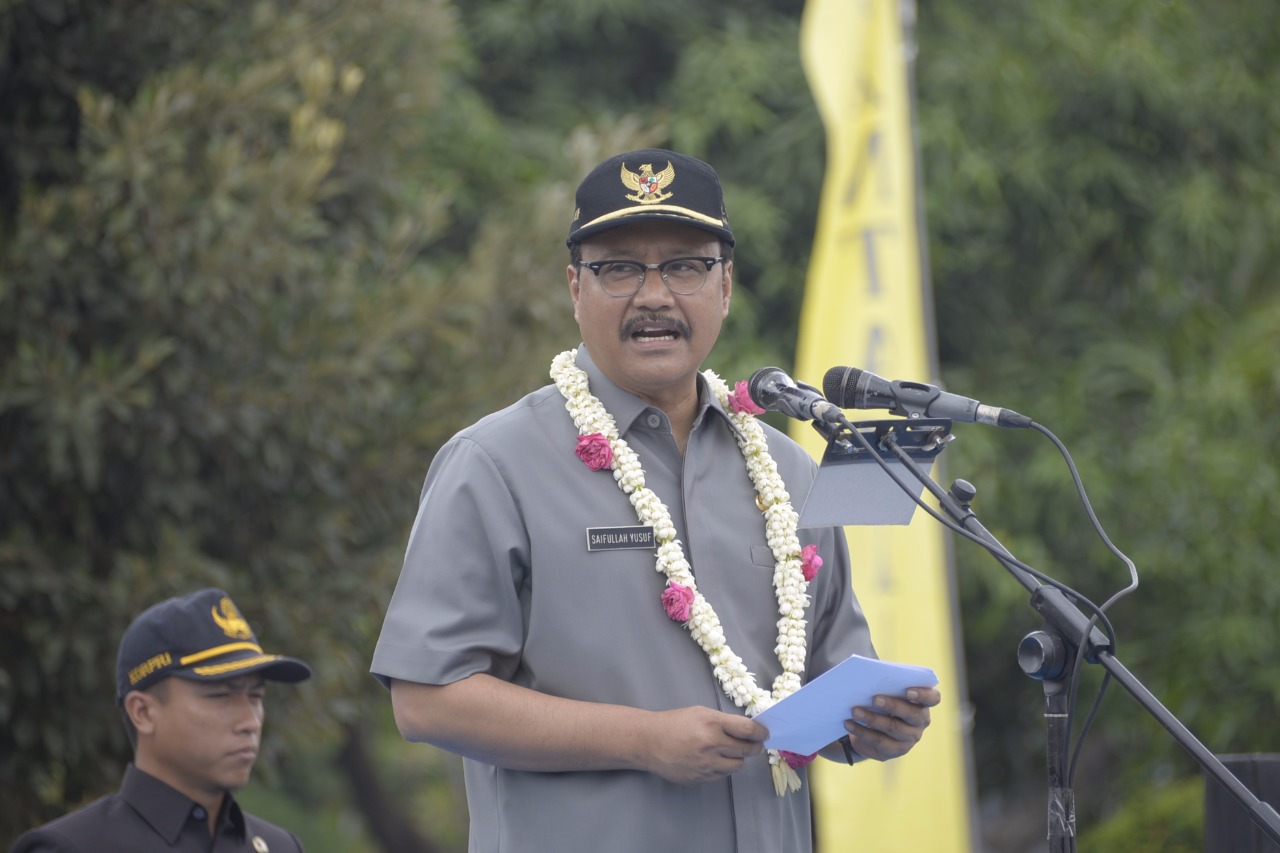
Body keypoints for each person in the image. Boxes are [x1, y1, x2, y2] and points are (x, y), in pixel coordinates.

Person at [370, 148, 941, 851]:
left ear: (725, 286)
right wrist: (644, 739)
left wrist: (876, 725)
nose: (654, 295)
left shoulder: (787, 472)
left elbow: (826, 682)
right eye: (618, 267)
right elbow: (426, 698)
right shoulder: (492, 464)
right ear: (574, 287)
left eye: (684, 265)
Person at [11, 588, 312, 853]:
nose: (250, 721)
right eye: (220, 696)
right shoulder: (73, 847)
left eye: (256, 697)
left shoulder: (280, 847)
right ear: (142, 713)